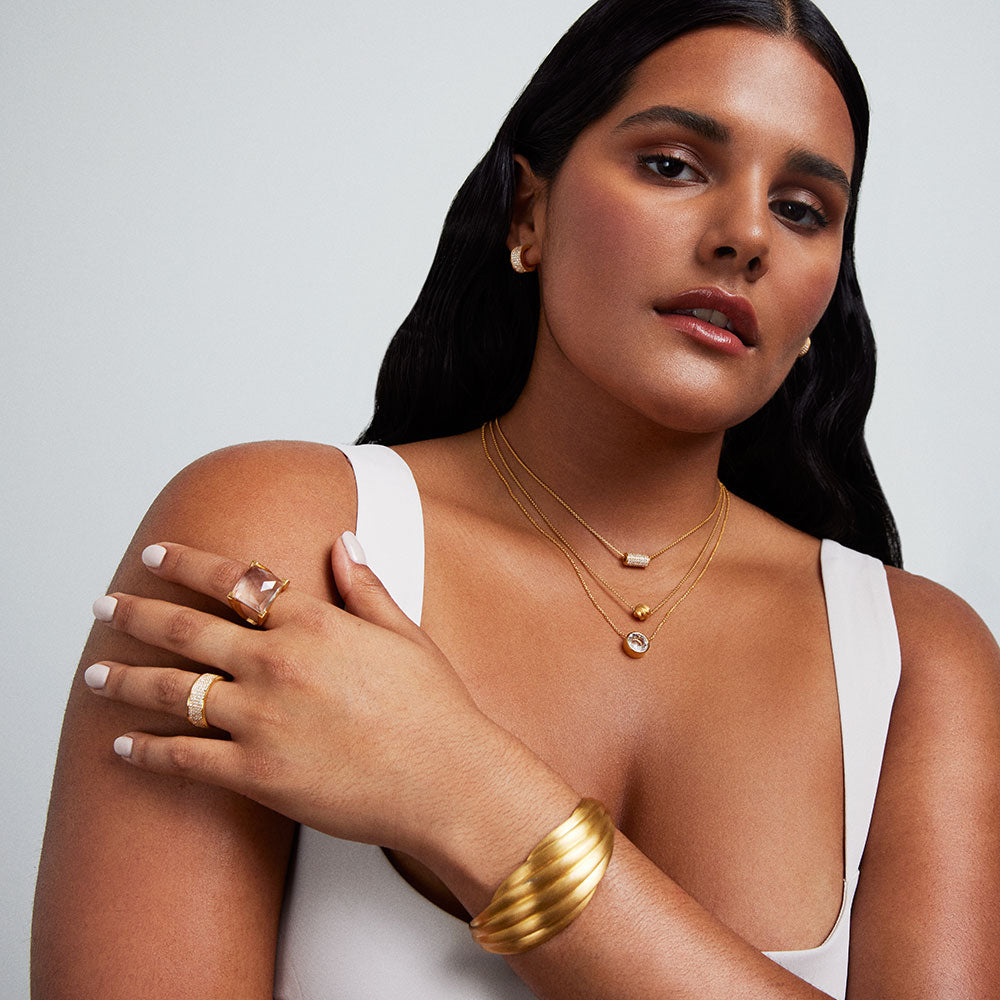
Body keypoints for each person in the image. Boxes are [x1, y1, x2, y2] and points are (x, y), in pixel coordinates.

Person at [31, 0, 999, 997]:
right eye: (673, 164)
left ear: (822, 302)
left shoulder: (921, 663)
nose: (746, 234)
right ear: (528, 213)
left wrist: (465, 789)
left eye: (801, 209)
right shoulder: (286, 534)